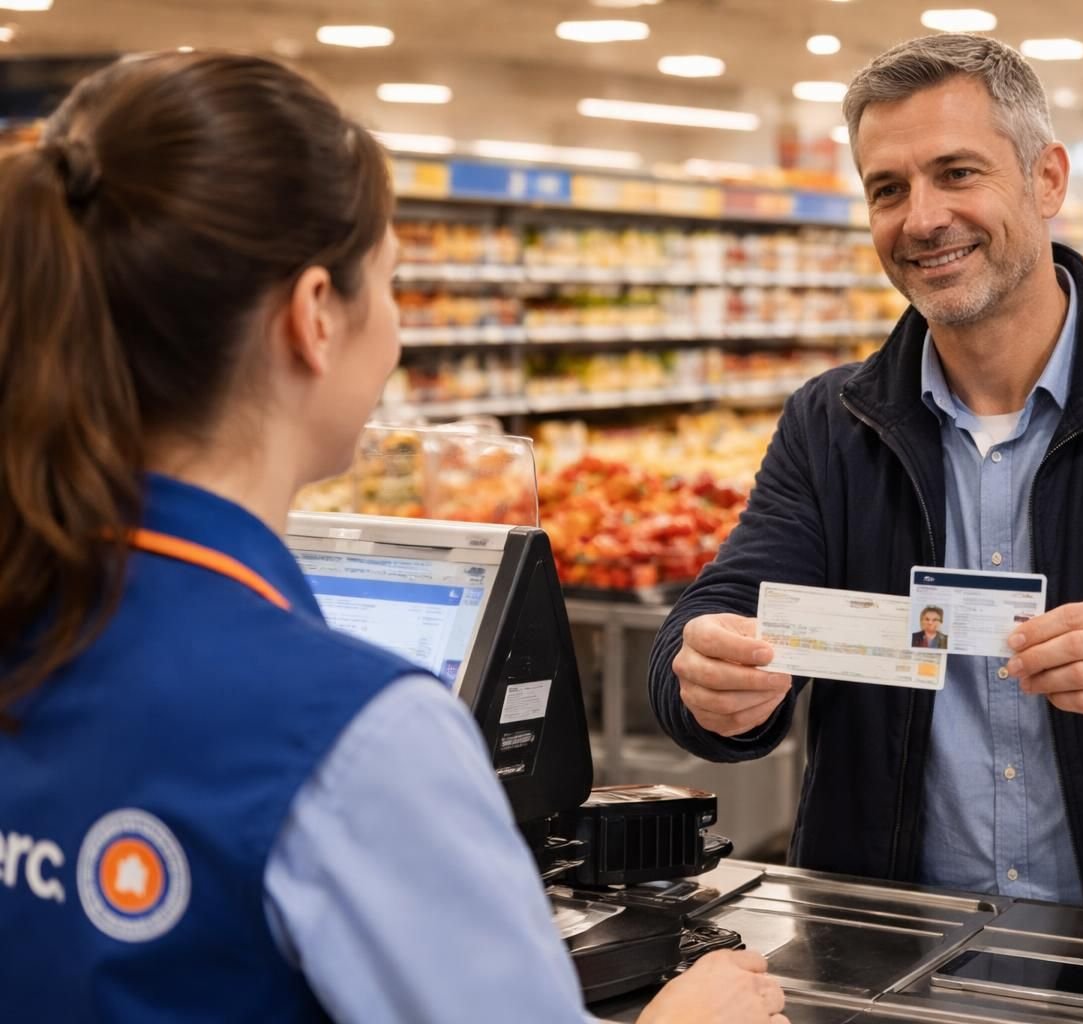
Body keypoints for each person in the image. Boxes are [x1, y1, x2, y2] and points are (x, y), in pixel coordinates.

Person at [0, 52, 788, 1024]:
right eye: (393, 281)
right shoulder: (354, 734)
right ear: (313, 317)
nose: (403, 334)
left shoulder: (35, 600)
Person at [648, 34, 1083, 931]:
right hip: (888, 954)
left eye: (957, 173)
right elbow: (711, 621)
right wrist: (705, 684)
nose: (922, 218)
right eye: (887, 190)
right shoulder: (831, 425)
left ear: (1047, 179)